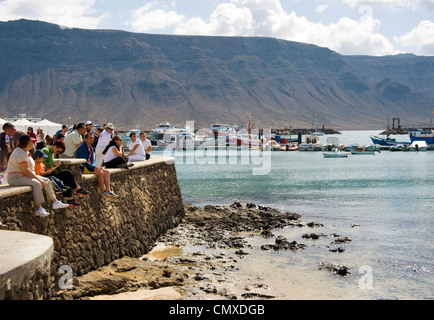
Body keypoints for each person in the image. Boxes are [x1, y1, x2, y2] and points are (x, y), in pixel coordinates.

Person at [6, 135, 69, 217]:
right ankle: (38, 208)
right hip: (16, 178)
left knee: (46, 180)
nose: (33, 143)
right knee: (36, 183)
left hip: (22, 176)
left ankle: (55, 202)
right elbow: (26, 171)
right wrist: (39, 180)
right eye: (31, 141)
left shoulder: (25, 152)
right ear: (26, 143)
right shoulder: (20, 153)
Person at [42, 140, 90, 207]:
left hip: (51, 171)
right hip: (47, 173)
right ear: (55, 146)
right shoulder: (46, 151)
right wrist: (53, 163)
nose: (57, 152)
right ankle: (77, 189)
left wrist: (55, 165)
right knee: (67, 174)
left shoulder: (51, 152)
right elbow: (41, 163)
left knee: (68, 174)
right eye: (58, 151)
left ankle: (71, 196)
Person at [76, 133, 118, 197]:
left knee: (107, 172)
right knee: (100, 173)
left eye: (92, 138)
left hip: (90, 167)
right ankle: (103, 191)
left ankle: (108, 190)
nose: (92, 139)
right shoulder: (82, 148)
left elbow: (92, 160)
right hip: (83, 168)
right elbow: (84, 162)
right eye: (90, 138)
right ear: (85, 139)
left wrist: (95, 166)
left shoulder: (91, 148)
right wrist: (94, 167)